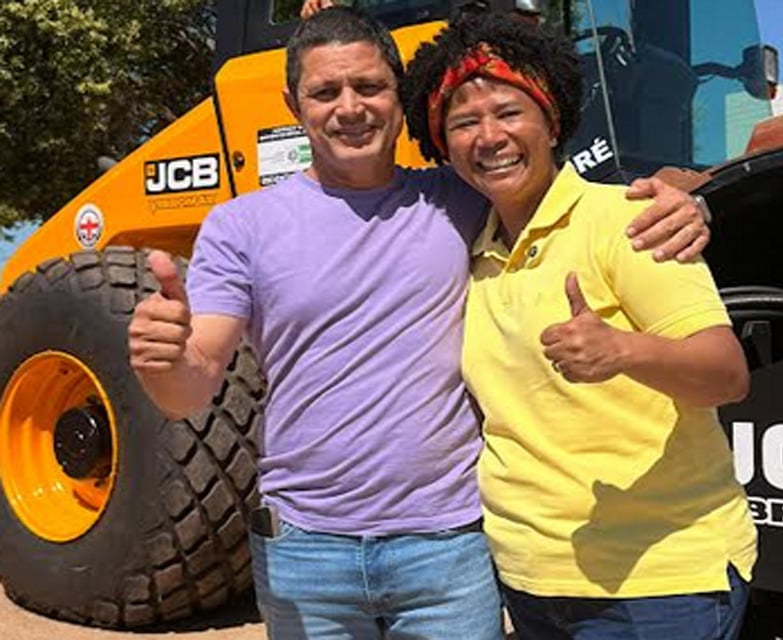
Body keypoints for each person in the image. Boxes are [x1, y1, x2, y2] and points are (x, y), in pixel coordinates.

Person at [128, 6, 711, 639]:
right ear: (293, 104)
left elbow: (573, 194)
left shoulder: (460, 196)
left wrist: (684, 197)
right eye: (325, 92)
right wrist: (167, 362)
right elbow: (191, 385)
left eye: (369, 87)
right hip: (306, 550)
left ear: (400, 98)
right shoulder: (240, 227)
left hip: (447, 547)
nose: (350, 108)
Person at [403, 13, 757, 640]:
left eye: (509, 112)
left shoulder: (626, 222)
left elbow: (726, 374)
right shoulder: (469, 251)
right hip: (533, 581)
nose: (489, 136)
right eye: (464, 123)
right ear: (442, 144)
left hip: (657, 582)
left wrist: (624, 351)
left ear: (552, 120)